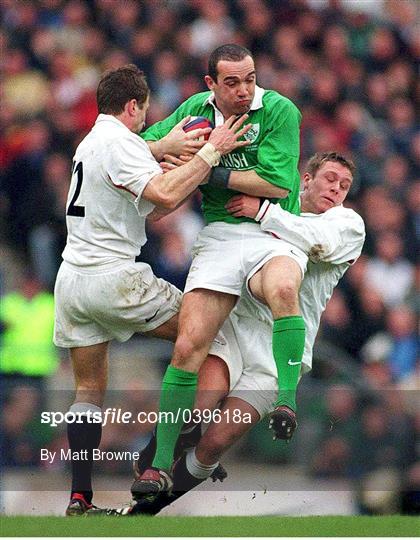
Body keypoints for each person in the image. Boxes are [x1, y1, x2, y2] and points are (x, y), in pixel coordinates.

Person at [53, 63, 250, 516]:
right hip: (115, 278)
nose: (145, 119)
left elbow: (148, 196)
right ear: (131, 106)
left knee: (88, 390)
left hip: (73, 281)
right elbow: (162, 195)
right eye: (143, 112)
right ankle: (156, 458)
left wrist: (164, 150)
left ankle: (80, 499)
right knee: (210, 340)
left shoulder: (91, 143)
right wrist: (209, 154)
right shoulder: (121, 142)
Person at [123, 152, 365, 515]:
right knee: (198, 407)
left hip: (279, 351)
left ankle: (151, 507)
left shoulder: (347, 223)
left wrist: (263, 212)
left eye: (344, 186)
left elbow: (316, 240)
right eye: (330, 178)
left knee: (217, 441)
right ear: (306, 179)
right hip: (236, 327)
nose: (336, 189)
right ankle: (155, 461)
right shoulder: (276, 199)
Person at [135, 43, 305, 498]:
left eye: (249, 79)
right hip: (221, 237)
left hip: (272, 234)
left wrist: (204, 168)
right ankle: (157, 466)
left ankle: (287, 401)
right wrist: (171, 150)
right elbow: (143, 148)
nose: (243, 90)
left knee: (284, 287)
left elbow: (277, 183)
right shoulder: (195, 110)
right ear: (211, 84)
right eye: (231, 82)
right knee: (189, 344)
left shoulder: (278, 110)